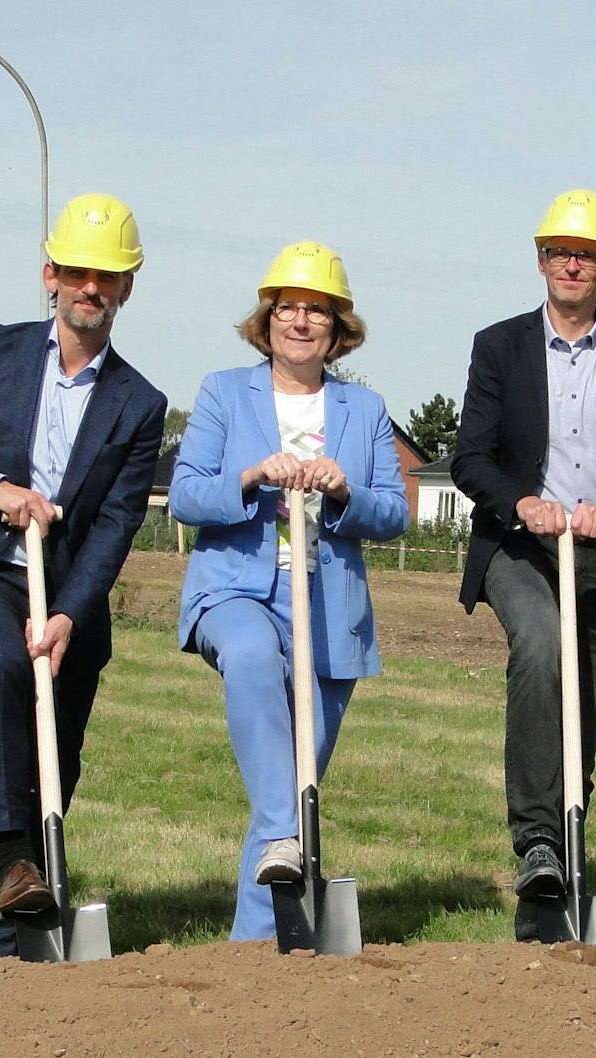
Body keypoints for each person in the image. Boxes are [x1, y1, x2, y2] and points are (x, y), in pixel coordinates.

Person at [0, 193, 166, 957]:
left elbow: (115, 524)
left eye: (107, 276)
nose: (91, 287)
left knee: (54, 760)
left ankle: (2, 942)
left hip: (70, 594)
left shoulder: (140, 403)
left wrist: (71, 614)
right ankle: (19, 857)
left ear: (126, 289)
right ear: (50, 272)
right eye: (77, 271)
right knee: (1, 663)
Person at [170, 242, 408, 940]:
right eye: (288, 308)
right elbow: (185, 494)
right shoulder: (222, 391)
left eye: (317, 310)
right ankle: (283, 841)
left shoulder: (365, 410)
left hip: (330, 607)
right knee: (249, 661)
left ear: (338, 329)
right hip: (238, 588)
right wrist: (248, 478)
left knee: (293, 778)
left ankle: (256, 948)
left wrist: (345, 491)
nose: (300, 321)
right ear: (266, 319)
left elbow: (393, 512)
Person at [451, 190, 596, 937]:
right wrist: (521, 503)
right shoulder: (499, 345)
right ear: (540, 260)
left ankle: (567, 842)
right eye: (559, 252)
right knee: (541, 646)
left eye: (588, 254)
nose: (572, 264)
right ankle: (538, 840)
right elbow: (468, 458)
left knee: (587, 701)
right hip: (520, 547)